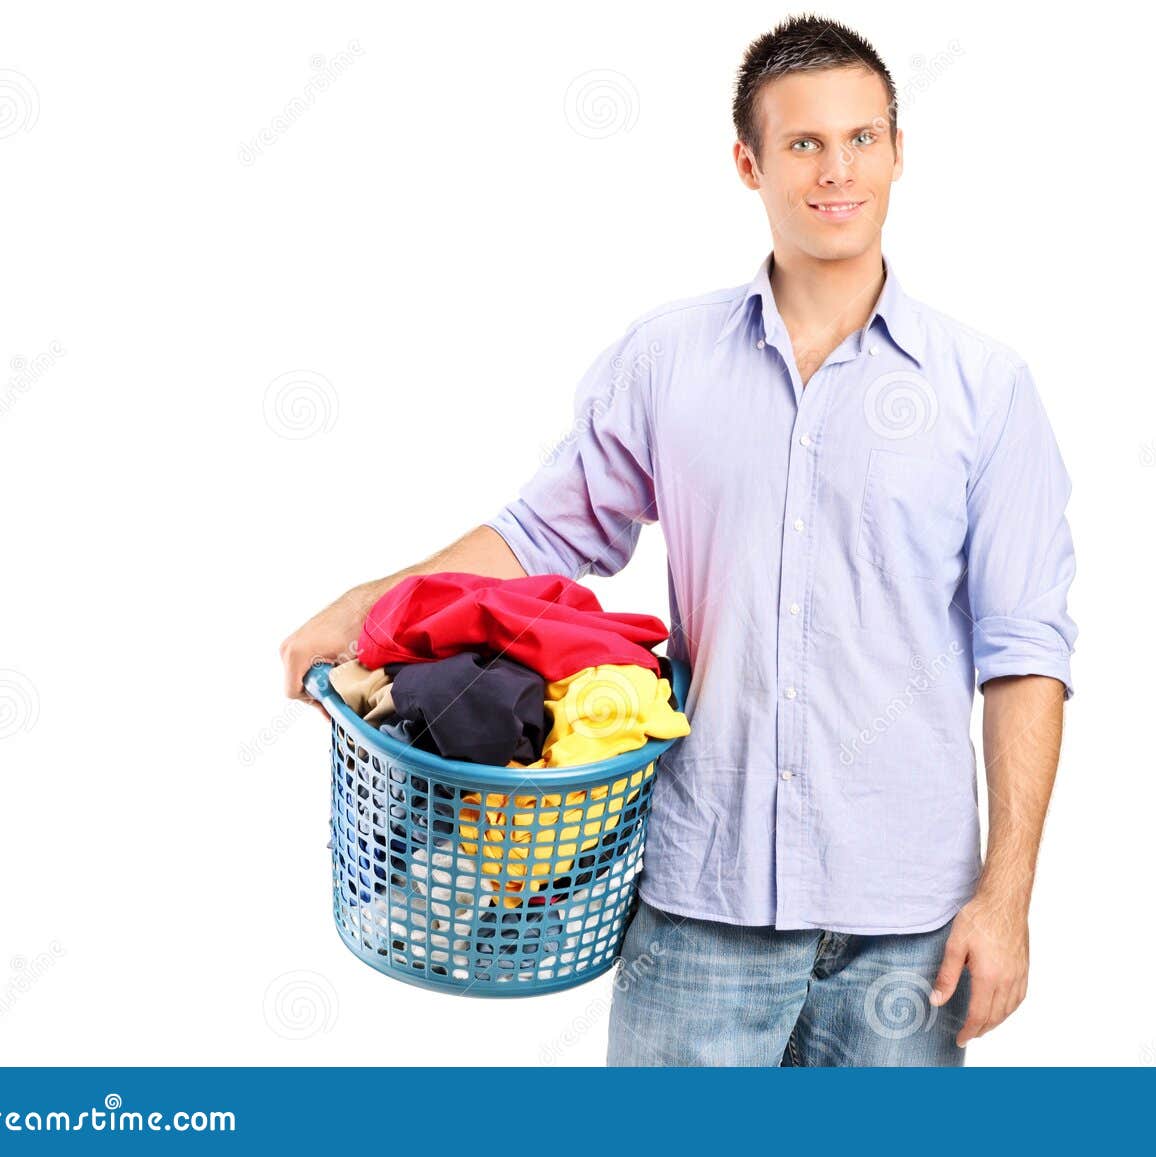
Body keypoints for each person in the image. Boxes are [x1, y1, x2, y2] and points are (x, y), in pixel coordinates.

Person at [280, 13, 1078, 1067]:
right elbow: (540, 532)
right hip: (702, 907)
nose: (837, 170)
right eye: (803, 144)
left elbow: (1024, 650)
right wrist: (364, 605)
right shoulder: (667, 362)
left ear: (896, 150)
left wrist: (1006, 896)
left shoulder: (986, 389)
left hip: (911, 926)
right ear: (748, 162)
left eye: (862, 138)